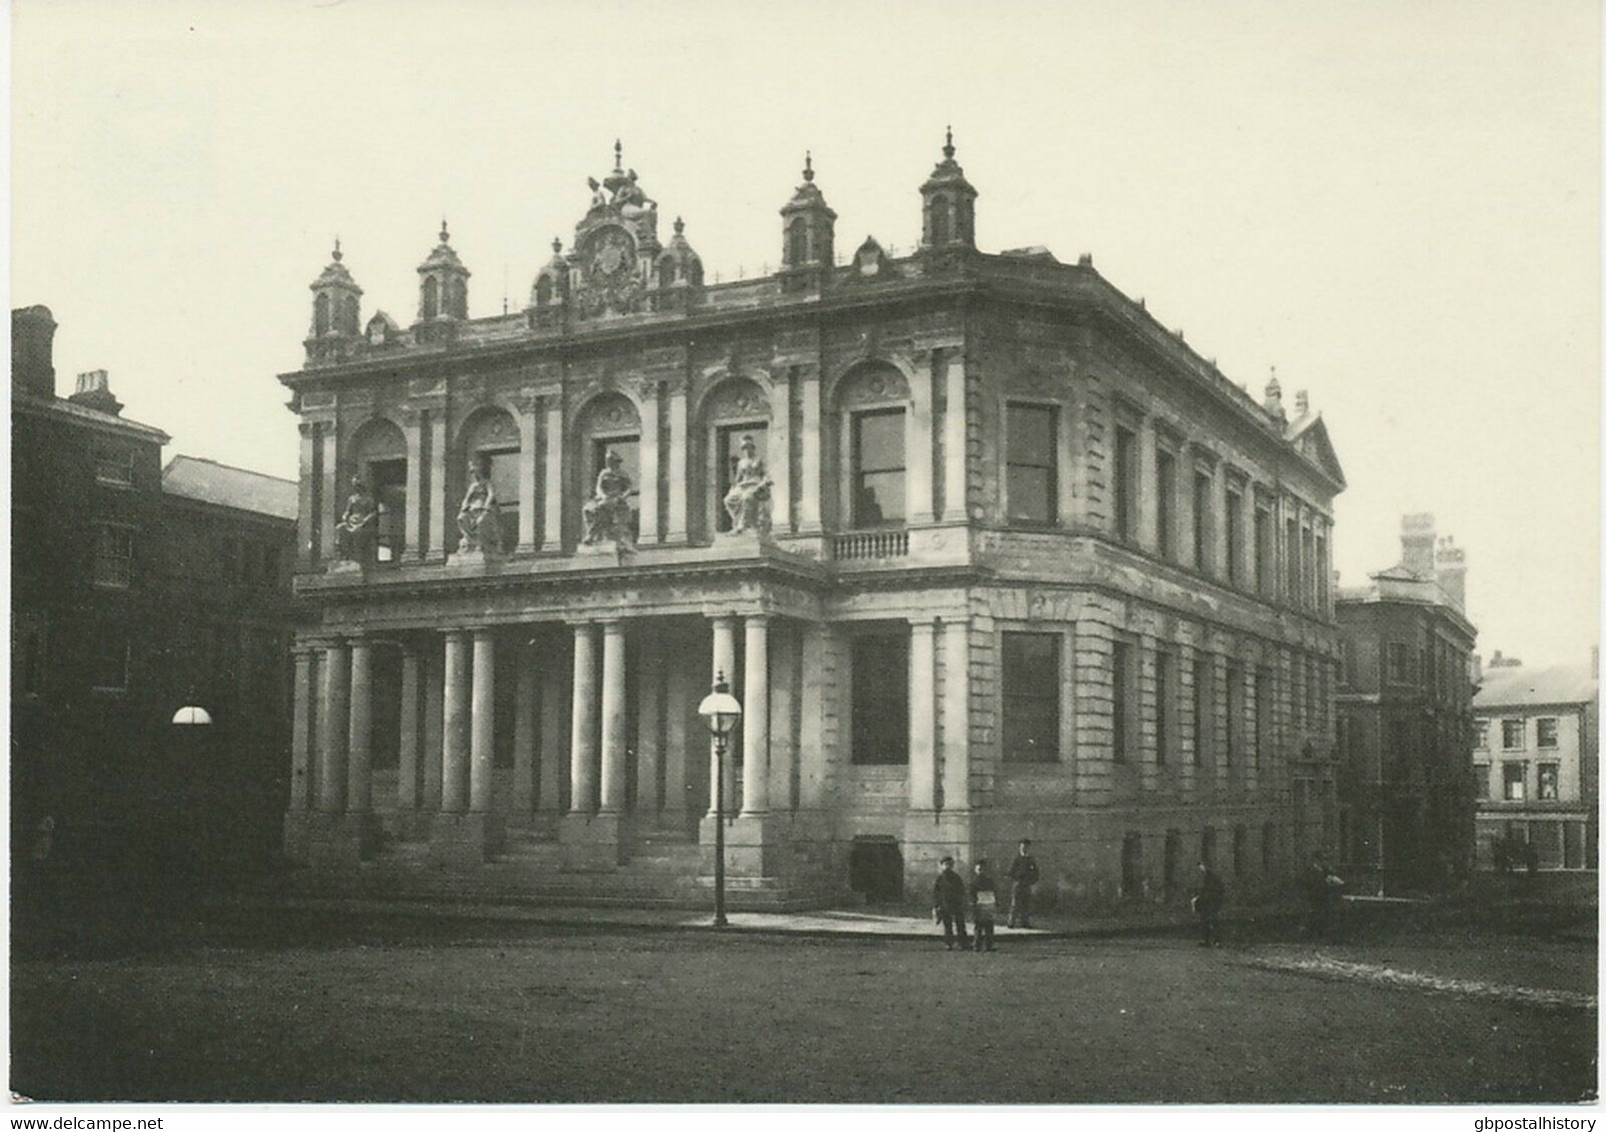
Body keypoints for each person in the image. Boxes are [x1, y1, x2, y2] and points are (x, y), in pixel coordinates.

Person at [582, 449, 636, 547]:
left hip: (616, 498)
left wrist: (623, 497)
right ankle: (592, 533)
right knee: (587, 509)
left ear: (616, 461)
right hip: (603, 497)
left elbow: (629, 488)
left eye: (611, 460)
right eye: (607, 460)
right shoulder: (604, 473)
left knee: (601, 508)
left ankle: (591, 535)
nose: (608, 462)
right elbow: (598, 487)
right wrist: (602, 495)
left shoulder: (622, 473)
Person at [722, 435, 772, 534]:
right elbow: (738, 478)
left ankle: (743, 524)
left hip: (755, 485)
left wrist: (763, 483)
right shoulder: (741, 462)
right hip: (743, 485)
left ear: (752, 447)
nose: (746, 450)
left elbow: (766, 474)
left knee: (746, 498)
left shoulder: (758, 460)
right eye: (744, 447)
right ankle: (737, 520)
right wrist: (733, 488)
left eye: (748, 447)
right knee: (728, 500)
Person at [456, 458, 503, 554]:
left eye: (474, 472)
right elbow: (467, 498)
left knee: (481, 521)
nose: (473, 474)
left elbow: (491, 495)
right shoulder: (473, 486)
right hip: (473, 509)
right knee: (461, 518)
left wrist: (486, 506)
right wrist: (464, 508)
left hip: (485, 509)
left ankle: (482, 542)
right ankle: (471, 540)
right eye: (472, 472)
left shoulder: (487, 483)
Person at [334, 476, 379, 562]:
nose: (356, 488)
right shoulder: (352, 498)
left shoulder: (368, 499)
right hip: (352, 521)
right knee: (340, 528)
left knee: (357, 532)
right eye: (355, 486)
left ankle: (356, 557)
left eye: (358, 486)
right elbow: (348, 510)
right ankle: (341, 552)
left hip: (363, 522)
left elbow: (373, 513)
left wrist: (364, 521)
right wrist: (345, 516)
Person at [931, 856, 969, 951]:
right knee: (947, 925)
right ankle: (949, 943)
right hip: (944, 904)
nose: (948, 866)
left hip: (956, 903)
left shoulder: (956, 877)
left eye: (950, 864)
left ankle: (962, 943)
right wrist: (936, 905)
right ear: (942, 865)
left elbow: (962, 890)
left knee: (960, 924)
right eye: (946, 864)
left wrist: (962, 901)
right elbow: (936, 892)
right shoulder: (940, 878)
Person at [1007, 838, 1040, 928]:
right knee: (1015, 904)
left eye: (1026, 847)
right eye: (1022, 846)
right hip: (1018, 884)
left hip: (1027, 884)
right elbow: (1010, 872)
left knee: (1026, 904)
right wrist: (1018, 876)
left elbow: (1036, 871)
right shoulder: (1016, 859)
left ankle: (1025, 922)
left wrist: (1032, 880)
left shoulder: (1030, 859)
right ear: (1019, 847)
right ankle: (1011, 922)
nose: (1024, 848)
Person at [1192, 860, 1225, 947]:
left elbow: (1211, 890)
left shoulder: (1211, 877)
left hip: (1211, 901)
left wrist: (1199, 897)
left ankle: (1215, 941)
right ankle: (1206, 940)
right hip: (1206, 902)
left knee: (1212, 921)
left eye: (1202, 866)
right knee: (1206, 921)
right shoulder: (1207, 876)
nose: (1201, 868)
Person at [969, 860, 999, 953]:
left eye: (983, 869)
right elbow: (971, 894)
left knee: (984, 926)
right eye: (979, 869)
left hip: (986, 904)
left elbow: (995, 892)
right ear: (976, 870)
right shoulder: (976, 882)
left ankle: (980, 945)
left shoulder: (978, 881)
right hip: (982, 904)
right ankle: (981, 945)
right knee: (983, 926)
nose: (981, 871)